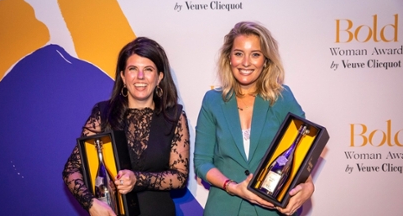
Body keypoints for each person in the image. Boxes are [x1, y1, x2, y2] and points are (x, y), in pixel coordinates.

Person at [194, 21, 314, 216]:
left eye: (255, 54)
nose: (246, 62)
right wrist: (232, 186)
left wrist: (308, 187)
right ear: (229, 58)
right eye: (239, 53)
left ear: (265, 60)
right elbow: (202, 162)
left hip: (271, 210)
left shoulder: (282, 98)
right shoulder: (212, 101)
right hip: (223, 208)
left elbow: (303, 148)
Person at [63, 37, 190, 216]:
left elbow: (180, 177)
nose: (140, 77)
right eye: (133, 69)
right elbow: (71, 170)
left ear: (160, 77)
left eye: (148, 69)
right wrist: (91, 204)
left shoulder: (173, 117)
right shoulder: (103, 113)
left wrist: (137, 179)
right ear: (123, 76)